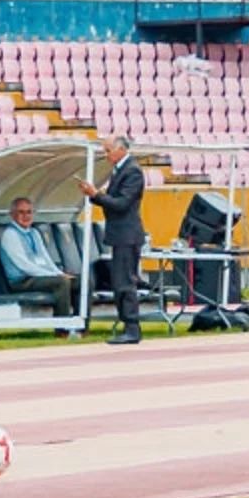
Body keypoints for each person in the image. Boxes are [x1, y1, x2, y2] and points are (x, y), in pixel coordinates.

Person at [80, 135, 145, 345]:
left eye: (108, 151)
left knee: (124, 282)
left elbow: (121, 204)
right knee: (120, 282)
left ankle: (132, 328)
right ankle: (128, 325)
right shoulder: (121, 171)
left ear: (121, 150)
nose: (106, 155)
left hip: (127, 234)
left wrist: (96, 195)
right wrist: (94, 195)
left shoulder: (132, 171)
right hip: (121, 235)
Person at [0, 197, 77, 320]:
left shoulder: (34, 233)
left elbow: (46, 259)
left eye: (29, 212)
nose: (26, 216)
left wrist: (59, 273)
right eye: (21, 212)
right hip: (22, 281)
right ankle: (62, 327)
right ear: (12, 215)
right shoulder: (10, 235)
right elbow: (24, 265)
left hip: (39, 277)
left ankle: (80, 325)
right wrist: (54, 276)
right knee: (61, 282)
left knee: (81, 281)